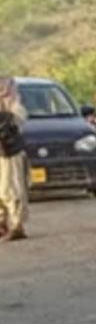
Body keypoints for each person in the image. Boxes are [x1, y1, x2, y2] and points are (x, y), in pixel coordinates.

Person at [0, 77, 30, 242]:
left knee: (11, 190)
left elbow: (15, 121)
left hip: (9, 152)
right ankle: (2, 223)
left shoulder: (13, 107)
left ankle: (17, 225)